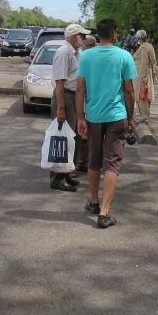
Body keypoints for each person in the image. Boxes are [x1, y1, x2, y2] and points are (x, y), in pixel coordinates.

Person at [76, 18, 138, 229]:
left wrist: (81, 117)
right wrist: (131, 117)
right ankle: (104, 212)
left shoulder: (86, 56)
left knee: (94, 160)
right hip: (116, 116)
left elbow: (80, 89)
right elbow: (129, 90)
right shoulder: (124, 56)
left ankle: (94, 202)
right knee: (112, 163)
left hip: (93, 116)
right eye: (117, 32)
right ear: (113, 33)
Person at [50, 23, 92, 190]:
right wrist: (61, 108)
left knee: (75, 137)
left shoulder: (77, 52)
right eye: (82, 36)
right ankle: (57, 179)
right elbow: (60, 82)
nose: (84, 39)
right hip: (66, 96)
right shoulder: (64, 52)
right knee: (62, 138)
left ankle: (67, 172)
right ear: (75, 37)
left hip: (75, 96)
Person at [132, 29, 158, 125]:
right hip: (145, 73)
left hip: (142, 74)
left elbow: (144, 63)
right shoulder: (149, 46)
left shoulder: (143, 47)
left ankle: (144, 116)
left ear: (138, 38)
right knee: (145, 94)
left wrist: (143, 77)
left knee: (142, 94)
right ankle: (143, 115)